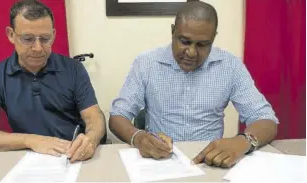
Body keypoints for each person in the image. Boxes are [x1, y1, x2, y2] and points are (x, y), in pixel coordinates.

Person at [109, 1, 278, 168]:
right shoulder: (146, 64)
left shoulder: (230, 66)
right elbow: (118, 116)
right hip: (159, 161)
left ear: (213, 39)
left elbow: (266, 120)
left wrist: (243, 141)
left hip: (209, 162)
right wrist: (139, 137)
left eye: (202, 45)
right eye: (185, 41)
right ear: (173, 31)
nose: (191, 52)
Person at [0, 0, 106, 163]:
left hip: (73, 155)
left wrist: (91, 139)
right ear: (11, 34)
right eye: (28, 39)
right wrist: (30, 140)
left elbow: (94, 116)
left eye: (45, 39)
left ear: (54, 35)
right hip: (30, 158)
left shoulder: (73, 69)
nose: (38, 48)